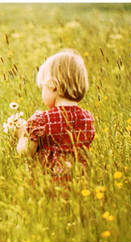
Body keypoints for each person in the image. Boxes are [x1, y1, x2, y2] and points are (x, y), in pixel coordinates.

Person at [15, 49, 95, 182]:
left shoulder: (41, 121)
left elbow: (25, 152)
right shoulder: (87, 118)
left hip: (48, 186)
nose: (42, 93)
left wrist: (21, 133)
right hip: (78, 186)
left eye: (43, 88)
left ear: (52, 85)